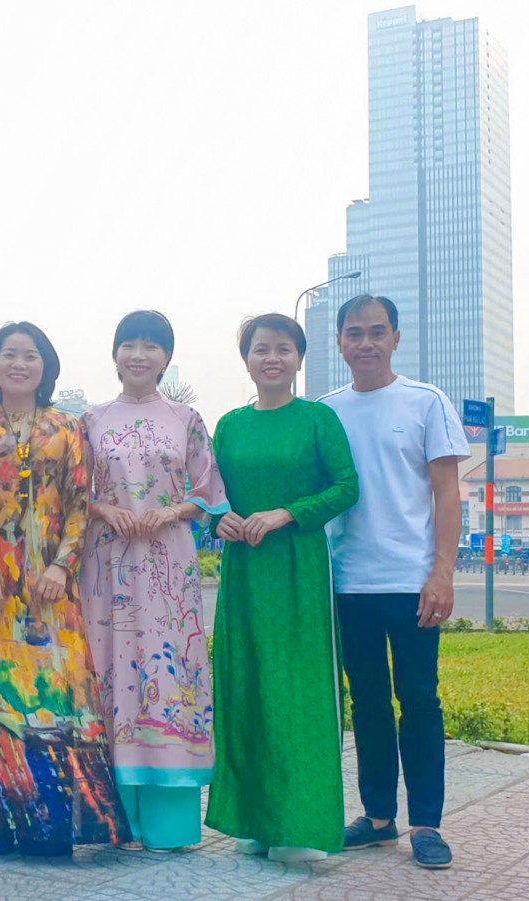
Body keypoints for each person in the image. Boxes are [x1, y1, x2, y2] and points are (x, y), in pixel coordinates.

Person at [0, 321, 131, 855]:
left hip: (52, 590)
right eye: (9, 354)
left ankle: (51, 827)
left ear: (46, 366)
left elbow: (79, 503)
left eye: (30, 355)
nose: (19, 364)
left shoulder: (67, 427)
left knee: (56, 698)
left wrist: (61, 567)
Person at [319, 295, 469, 870]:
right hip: (347, 581)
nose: (366, 343)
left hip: (411, 582)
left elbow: (447, 494)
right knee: (368, 703)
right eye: (354, 333)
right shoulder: (326, 411)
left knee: (420, 698)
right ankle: (379, 817)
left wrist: (442, 573)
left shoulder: (426, 401)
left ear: (396, 339)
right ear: (339, 342)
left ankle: (426, 824)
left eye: (377, 332)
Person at [205, 313, 359, 862]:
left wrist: (286, 513)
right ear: (245, 359)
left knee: (298, 691)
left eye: (283, 349)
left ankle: (300, 826)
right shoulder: (228, 425)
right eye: (261, 349)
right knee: (245, 685)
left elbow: (346, 487)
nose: (272, 358)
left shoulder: (318, 419)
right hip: (244, 573)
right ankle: (254, 820)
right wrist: (218, 518)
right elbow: (208, 492)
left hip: (297, 570)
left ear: (299, 359)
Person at [79, 310, 228, 852]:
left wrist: (170, 512)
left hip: (168, 567)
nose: (139, 355)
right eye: (129, 344)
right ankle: (113, 820)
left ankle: (170, 825)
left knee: (170, 673)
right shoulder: (90, 421)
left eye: (151, 346)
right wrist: (104, 509)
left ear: (166, 359)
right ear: (115, 355)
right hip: (106, 563)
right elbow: (72, 491)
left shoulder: (186, 419)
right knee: (109, 668)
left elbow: (210, 493)